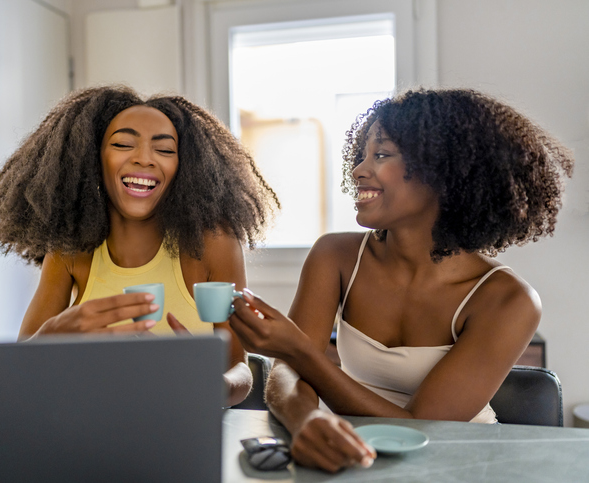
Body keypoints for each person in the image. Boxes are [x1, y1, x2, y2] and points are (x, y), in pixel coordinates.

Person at [228, 88, 574, 472]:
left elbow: (423, 425)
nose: (359, 170)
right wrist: (306, 420)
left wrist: (302, 353)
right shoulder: (335, 256)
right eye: (362, 155)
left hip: (457, 463)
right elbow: (286, 374)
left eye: (381, 154)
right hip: (353, 455)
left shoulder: (508, 300)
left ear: (442, 171)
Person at [0, 85, 279, 406]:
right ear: (90, 159)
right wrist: (50, 339)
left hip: (184, 424)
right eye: (123, 144)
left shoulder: (213, 245)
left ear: (186, 168)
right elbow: (19, 372)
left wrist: (215, 384)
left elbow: (240, 368)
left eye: (164, 150)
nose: (144, 159)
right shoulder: (70, 254)